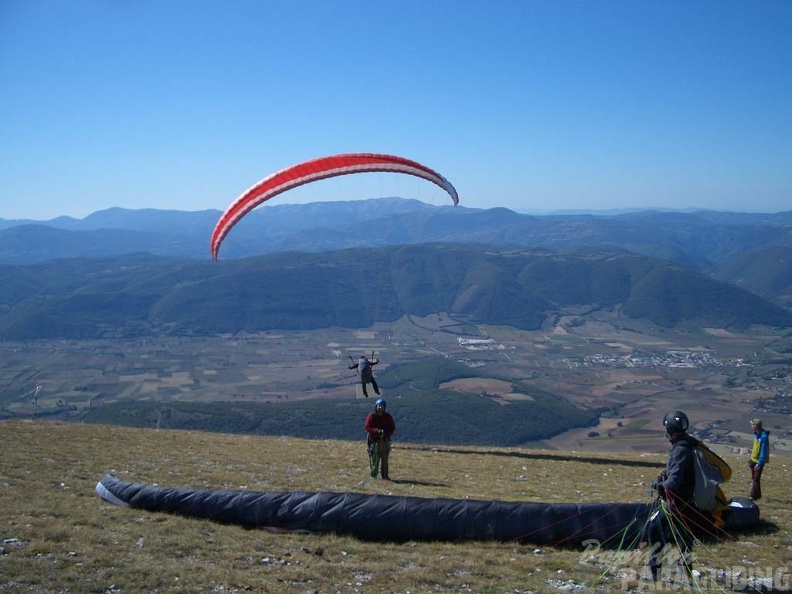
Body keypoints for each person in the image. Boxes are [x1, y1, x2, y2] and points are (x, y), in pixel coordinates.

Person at [646, 410, 703, 583]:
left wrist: (659, 485)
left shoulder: (681, 449)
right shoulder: (688, 444)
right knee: (684, 538)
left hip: (676, 502)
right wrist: (665, 475)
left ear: (670, 429)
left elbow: (675, 481)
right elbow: (678, 472)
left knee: (655, 531)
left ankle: (655, 573)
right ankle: (686, 571)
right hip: (686, 502)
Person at [364, 398, 395, 479]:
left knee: (385, 460)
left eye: (382, 406)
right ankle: (373, 475)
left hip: (385, 442)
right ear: (376, 407)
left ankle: (385, 476)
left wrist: (387, 434)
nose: (380, 408)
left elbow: (392, 427)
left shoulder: (388, 417)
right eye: (379, 406)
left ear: (384, 407)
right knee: (375, 460)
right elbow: (367, 427)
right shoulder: (371, 417)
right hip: (375, 442)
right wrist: (376, 431)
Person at [749, 418, 770, 500]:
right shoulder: (756, 435)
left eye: (752, 424)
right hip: (753, 460)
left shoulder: (763, 437)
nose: (751, 426)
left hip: (758, 462)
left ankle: (753, 496)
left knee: (756, 479)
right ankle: (757, 495)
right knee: (754, 479)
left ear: (756, 426)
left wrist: (760, 463)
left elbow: (763, 451)